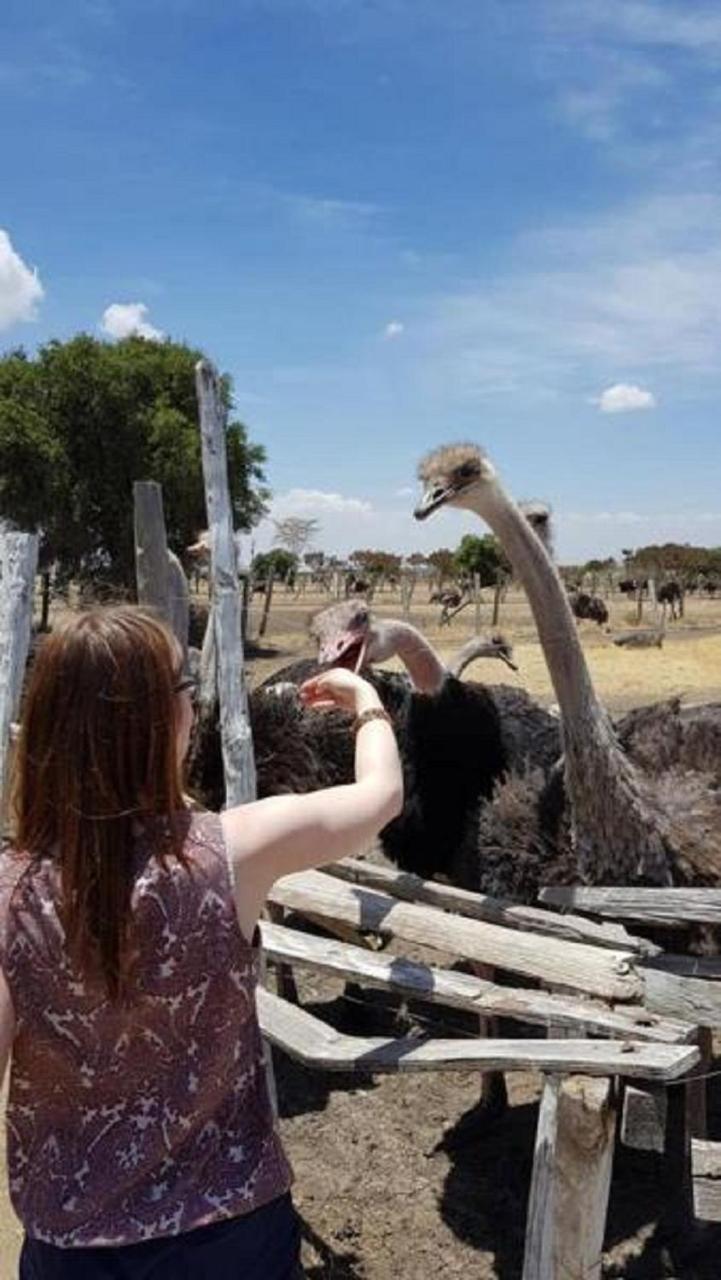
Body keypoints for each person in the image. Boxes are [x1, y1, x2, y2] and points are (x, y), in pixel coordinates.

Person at [0, 605, 402, 1279]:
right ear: (168, 720)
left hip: (75, 1246)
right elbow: (380, 795)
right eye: (187, 689)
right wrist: (365, 702)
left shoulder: (10, 895)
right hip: (232, 1231)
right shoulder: (234, 851)